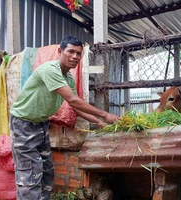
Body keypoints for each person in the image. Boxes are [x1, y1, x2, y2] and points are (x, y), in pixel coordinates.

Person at [9, 36, 120, 200]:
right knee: (30, 174)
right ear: (60, 51)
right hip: (24, 124)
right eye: (71, 52)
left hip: (41, 124)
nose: (75, 56)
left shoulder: (67, 77)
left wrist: (98, 122)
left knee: (46, 171)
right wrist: (105, 114)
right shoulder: (50, 70)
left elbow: (75, 107)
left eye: (79, 53)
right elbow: (74, 100)